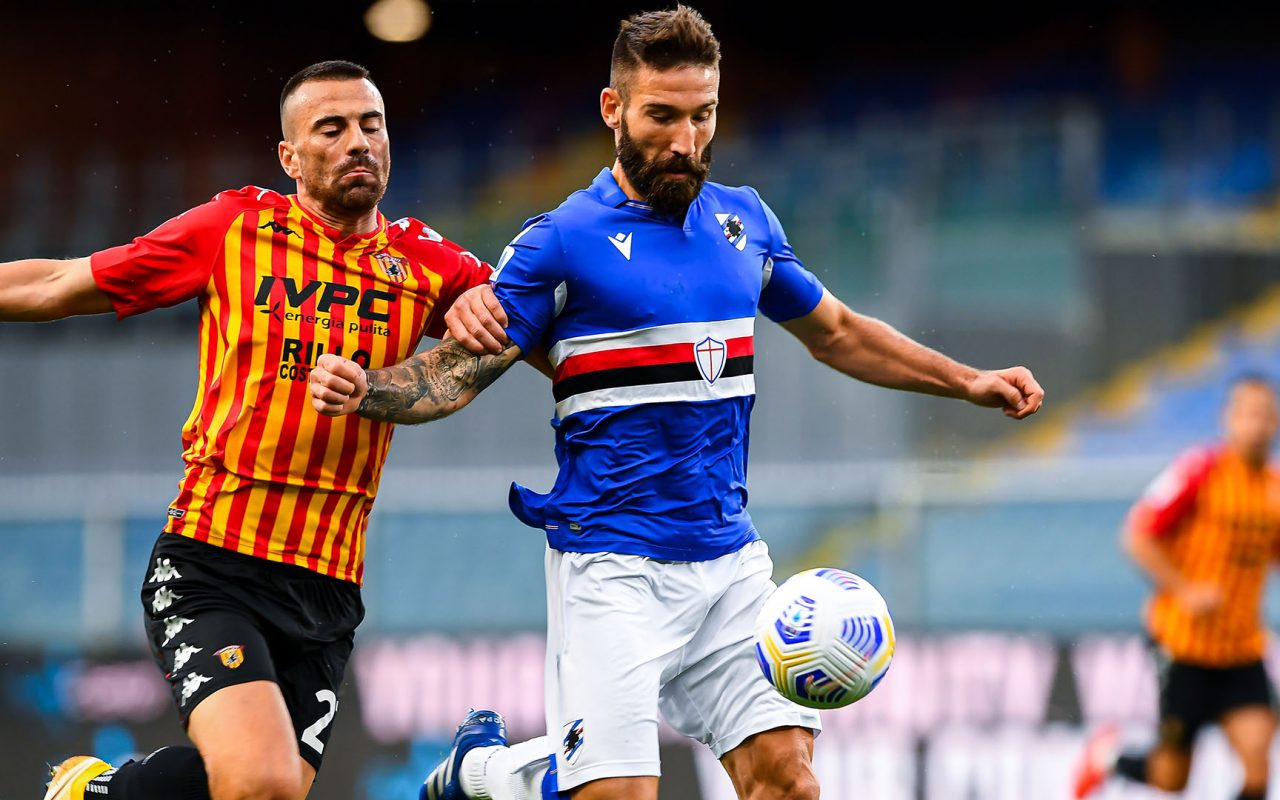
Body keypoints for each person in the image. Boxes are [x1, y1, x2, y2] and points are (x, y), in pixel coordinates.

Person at [309, 7, 1045, 800]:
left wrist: (966, 381)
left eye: (703, 116)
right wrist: (366, 389)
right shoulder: (561, 240)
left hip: (729, 562)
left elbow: (836, 332)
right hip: (612, 567)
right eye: (662, 116)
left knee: (789, 785)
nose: (685, 141)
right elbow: (455, 373)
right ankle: (484, 772)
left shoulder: (745, 221)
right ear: (613, 108)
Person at [3, 60, 496, 800]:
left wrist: (492, 307)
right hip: (214, 562)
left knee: (267, 790)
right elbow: (58, 284)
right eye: (331, 128)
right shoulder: (233, 229)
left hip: (329, 587)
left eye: (371, 125)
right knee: (261, 781)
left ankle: (96, 793)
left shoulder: (431, 265)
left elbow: (543, 332)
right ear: (289, 158)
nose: (358, 142)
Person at [1073, 375, 1280, 800]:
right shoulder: (1200, 471)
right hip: (1185, 645)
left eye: (1266, 415)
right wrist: (1185, 590)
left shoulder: (1274, 489)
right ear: (1229, 419)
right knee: (1172, 778)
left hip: (1242, 648)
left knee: (1258, 768)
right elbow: (1137, 535)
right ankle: (1105, 759)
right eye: (1249, 414)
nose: (1257, 425)